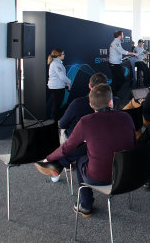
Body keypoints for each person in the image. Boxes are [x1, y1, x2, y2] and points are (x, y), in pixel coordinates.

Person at [34, 84, 135, 217]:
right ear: (111, 102)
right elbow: (133, 143)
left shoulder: (86, 122)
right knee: (88, 148)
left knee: (82, 158)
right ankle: (59, 164)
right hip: (127, 174)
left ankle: (85, 205)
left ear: (91, 105)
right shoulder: (126, 117)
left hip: (99, 178)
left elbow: (67, 147)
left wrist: (49, 157)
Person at [109, 30, 137, 97]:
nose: (123, 36)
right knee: (119, 79)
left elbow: (117, 53)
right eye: (122, 35)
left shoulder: (117, 42)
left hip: (116, 64)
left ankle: (113, 93)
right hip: (114, 64)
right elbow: (122, 51)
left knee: (118, 79)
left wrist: (123, 59)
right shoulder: (116, 42)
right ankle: (112, 93)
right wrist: (133, 53)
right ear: (119, 36)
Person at [47, 48, 72, 121]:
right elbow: (62, 76)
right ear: (58, 55)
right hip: (56, 87)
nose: (64, 55)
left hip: (58, 86)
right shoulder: (56, 64)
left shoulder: (57, 63)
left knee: (57, 104)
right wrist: (69, 81)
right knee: (57, 104)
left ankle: (57, 119)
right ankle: (56, 120)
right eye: (63, 54)